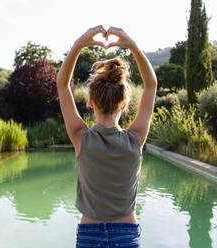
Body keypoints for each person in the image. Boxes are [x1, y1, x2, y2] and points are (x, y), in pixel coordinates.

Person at [57, 25, 157, 248]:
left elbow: (62, 85)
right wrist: (133, 46)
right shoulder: (135, 139)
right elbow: (151, 85)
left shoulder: (80, 137)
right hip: (127, 235)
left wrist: (79, 44)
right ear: (124, 104)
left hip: (89, 235)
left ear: (91, 103)